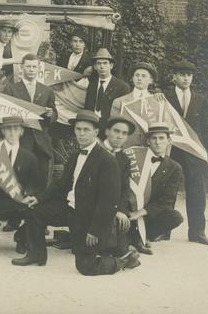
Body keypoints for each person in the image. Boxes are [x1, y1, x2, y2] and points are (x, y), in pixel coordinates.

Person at [12, 110, 140, 275]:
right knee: (34, 211)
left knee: (86, 267)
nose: (81, 134)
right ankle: (36, 254)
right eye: (78, 129)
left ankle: (123, 260)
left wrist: (95, 230)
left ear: (96, 132)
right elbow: (60, 185)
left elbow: (108, 201)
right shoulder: (74, 156)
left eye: (86, 130)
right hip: (69, 209)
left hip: (87, 217)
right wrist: (38, 198)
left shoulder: (107, 161)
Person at [163, 60, 208, 246]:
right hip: (171, 151)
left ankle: (197, 232)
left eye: (189, 75)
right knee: (167, 192)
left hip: (195, 154)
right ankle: (163, 231)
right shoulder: (164, 98)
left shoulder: (201, 100)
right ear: (174, 77)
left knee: (197, 193)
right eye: (182, 74)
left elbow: (207, 130)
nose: (186, 78)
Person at [0, 116, 43, 251]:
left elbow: (36, 183)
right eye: (8, 129)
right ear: (2, 131)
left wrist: (29, 193)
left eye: (16, 129)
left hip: (18, 199)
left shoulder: (29, 157)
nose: (12, 133)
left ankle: (21, 238)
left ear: (22, 132)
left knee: (36, 209)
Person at [121, 122, 184, 254]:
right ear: (148, 141)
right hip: (128, 209)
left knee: (175, 217)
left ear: (169, 141)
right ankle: (132, 239)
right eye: (154, 138)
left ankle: (147, 235)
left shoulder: (175, 167)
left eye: (161, 138)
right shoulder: (134, 157)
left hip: (148, 213)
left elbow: (167, 200)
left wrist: (142, 212)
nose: (158, 142)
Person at [4, 53, 57, 187]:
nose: (32, 69)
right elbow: (5, 115)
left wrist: (50, 114)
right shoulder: (11, 88)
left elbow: (54, 115)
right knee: (19, 180)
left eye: (34, 66)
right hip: (20, 140)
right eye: (28, 66)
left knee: (41, 180)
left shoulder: (47, 91)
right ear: (22, 68)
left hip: (41, 143)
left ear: (39, 68)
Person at [100, 116, 144, 254]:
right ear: (107, 131)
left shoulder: (124, 159)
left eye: (124, 133)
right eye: (116, 131)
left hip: (111, 207)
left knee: (121, 230)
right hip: (92, 206)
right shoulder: (95, 150)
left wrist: (120, 210)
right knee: (115, 250)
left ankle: (123, 244)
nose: (120, 136)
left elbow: (124, 188)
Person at [111, 62, 159, 147]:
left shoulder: (157, 102)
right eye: (137, 75)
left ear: (151, 80)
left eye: (144, 76)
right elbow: (114, 130)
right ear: (132, 78)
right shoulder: (119, 102)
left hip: (150, 149)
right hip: (126, 149)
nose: (139, 78)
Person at [84, 48, 130, 127]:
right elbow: (88, 107)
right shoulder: (92, 85)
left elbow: (124, 114)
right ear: (95, 66)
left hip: (110, 127)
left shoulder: (122, 87)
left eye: (105, 63)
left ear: (111, 66)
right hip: (92, 125)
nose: (102, 67)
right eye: (99, 63)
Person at [0, 19, 18, 87]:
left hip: (12, 78)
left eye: (9, 32)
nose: (6, 35)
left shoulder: (14, 46)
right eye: (4, 31)